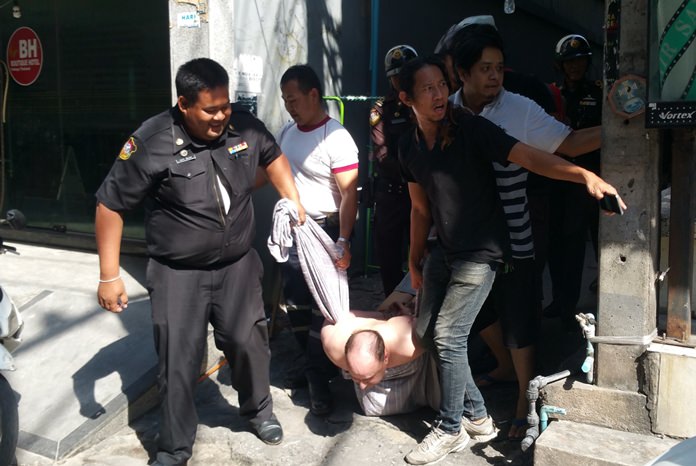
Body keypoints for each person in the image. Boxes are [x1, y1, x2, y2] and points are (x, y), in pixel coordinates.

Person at [396, 56, 625, 465]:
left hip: (482, 251)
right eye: (427, 89)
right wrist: (413, 261)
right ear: (406, 98)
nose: (439, 94)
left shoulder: (469, 127)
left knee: (449, 336)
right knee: (427, 335)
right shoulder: (407, 144)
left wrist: (584, 176)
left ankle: (450, 429)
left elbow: (530, 157)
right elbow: (419, 208)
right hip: (443, 251)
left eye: (441, 85)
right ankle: (478, 416)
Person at [95, 58, 304, 465]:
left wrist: (291, 198)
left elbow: (272, 155)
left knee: (249, 342)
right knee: (178, 361)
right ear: (184, 104)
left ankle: (259, 411)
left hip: (238, 266)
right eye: (211, 110)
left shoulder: (243, 127)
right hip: (178, 274)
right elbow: (110, 204)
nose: (221, 116)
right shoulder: (151, 140)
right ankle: (174, 448)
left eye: (225, 106)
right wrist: (109, 276)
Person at [450, 25, 602, 439]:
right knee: (477, 311)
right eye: (485, 68)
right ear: (461, 73)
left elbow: (569, 144)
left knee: (519, 314)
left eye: (499, 68)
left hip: (513, 231)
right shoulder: (447, 110)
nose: (494, 76)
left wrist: (621, 125)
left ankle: (523, 397)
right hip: (464, 236)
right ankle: (503, 364)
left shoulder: (518, 108)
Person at [277, 64, 359, 416]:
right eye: (285, 100)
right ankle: (311, 363)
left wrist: (344, 240)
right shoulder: (286, 131)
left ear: (313, 95)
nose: (289, 106)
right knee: (295, 303)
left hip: (326, 231)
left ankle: (318, 377)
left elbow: (349, 194)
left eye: (293, 99)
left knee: (322, 308)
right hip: (294, 230)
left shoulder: (336, 138)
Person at [544, 34, 603, 326]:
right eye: (569, 62)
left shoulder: (599, 92)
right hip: (560, 180)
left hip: (593, 179)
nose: (575, 66)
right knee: (560, 245)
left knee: (590, 243)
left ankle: (585, 306)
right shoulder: (551, 94)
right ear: (560, 65)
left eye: (580, 61)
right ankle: (561, 302)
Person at [369, 44, 418, 296]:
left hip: (422, 193)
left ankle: (421, 305)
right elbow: (382, 154)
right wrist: (414, 172)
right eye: (397, 76)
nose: (402, 81)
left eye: (407, 75)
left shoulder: (427, 103)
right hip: (393, 192)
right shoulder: (381, 109)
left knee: (422, 253)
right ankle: (393, 303)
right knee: (388, 254)